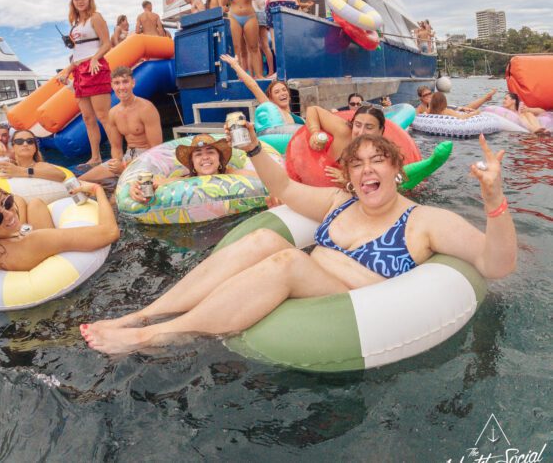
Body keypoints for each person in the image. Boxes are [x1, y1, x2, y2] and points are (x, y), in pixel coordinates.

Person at [80, 129, 516, 355]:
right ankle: (145, 314)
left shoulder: (423, 221)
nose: (367, 171)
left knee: (286, 259)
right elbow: (285, 189)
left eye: (377, 161)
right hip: (303, 287)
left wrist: (495, 200)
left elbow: (493, 264)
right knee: (266, 238)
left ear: (397, 170)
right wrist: (251, 150)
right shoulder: (337, 202)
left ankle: (155, 337)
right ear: (347, 175)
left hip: (351, 306)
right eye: (357, 164)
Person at [57, 0, 122, 167]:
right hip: (79, 71)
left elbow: (106, 44)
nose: (80, 1)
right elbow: (78, 52)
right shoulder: (75, 25)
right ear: (73, 2)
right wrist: (68, 70)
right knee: (87, 118)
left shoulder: (96, 17)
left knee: (103, 116)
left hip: (94, 68)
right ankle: (96, 158)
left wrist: (95, 59)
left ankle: (117, 156)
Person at [81, 67, 163, 182]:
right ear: (112, 86)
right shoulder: (113, 113)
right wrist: (117, 163)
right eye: (117, 83)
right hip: (128, 157)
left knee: (118, 196)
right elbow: (116, 147)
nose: (121, 87)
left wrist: (124, 167)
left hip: (148, 159)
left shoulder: (146, 108)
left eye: (125, 82)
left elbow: (155, 150)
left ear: (133, 83)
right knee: (82, 180)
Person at [127, 134, 259, 203]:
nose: (205, 157)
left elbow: (264, 179)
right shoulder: (184, 181)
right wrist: (135, 187)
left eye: (210, 152)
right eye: (198, 154)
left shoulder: (234, 175)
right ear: (193, 163)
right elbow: (153, 181)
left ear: (219, 158)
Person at [219, 54, 302, 131]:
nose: (282, 93)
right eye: (277, 92)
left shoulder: (298, 119)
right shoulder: (274, 110)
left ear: (289, 95)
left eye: (284, 90)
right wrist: (235, 65)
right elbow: (253, 86)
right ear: (271, 99)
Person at [222, 0, 262, 78]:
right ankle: (239, 76)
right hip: (234, 17)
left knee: (254, 47)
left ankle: (259, 75)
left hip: (249, 16)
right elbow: (223, 3)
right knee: (236, 48)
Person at [0, 130, 67, 181]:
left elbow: (61, 175)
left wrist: (21, 171)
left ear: (35, 148)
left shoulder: (39, 166)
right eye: (19, 141)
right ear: (13, 147)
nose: (25, 144)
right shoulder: (9, 165)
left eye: (30, 141)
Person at [245, 0, 275, 78]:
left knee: (252, 47)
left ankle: (253, 74)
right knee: (265, 45)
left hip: (252, 15)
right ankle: (271, 71)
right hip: (263, 14)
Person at [416, 86, 496, 115]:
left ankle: (485, 98)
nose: (428, 96)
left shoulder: (433, 103)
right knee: (464, 108)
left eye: (429, 93)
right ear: (421, 98)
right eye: (425, 95)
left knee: (464, 108)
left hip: (444, 108)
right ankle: (485, 98)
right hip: (441, 110)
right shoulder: (421, 107)